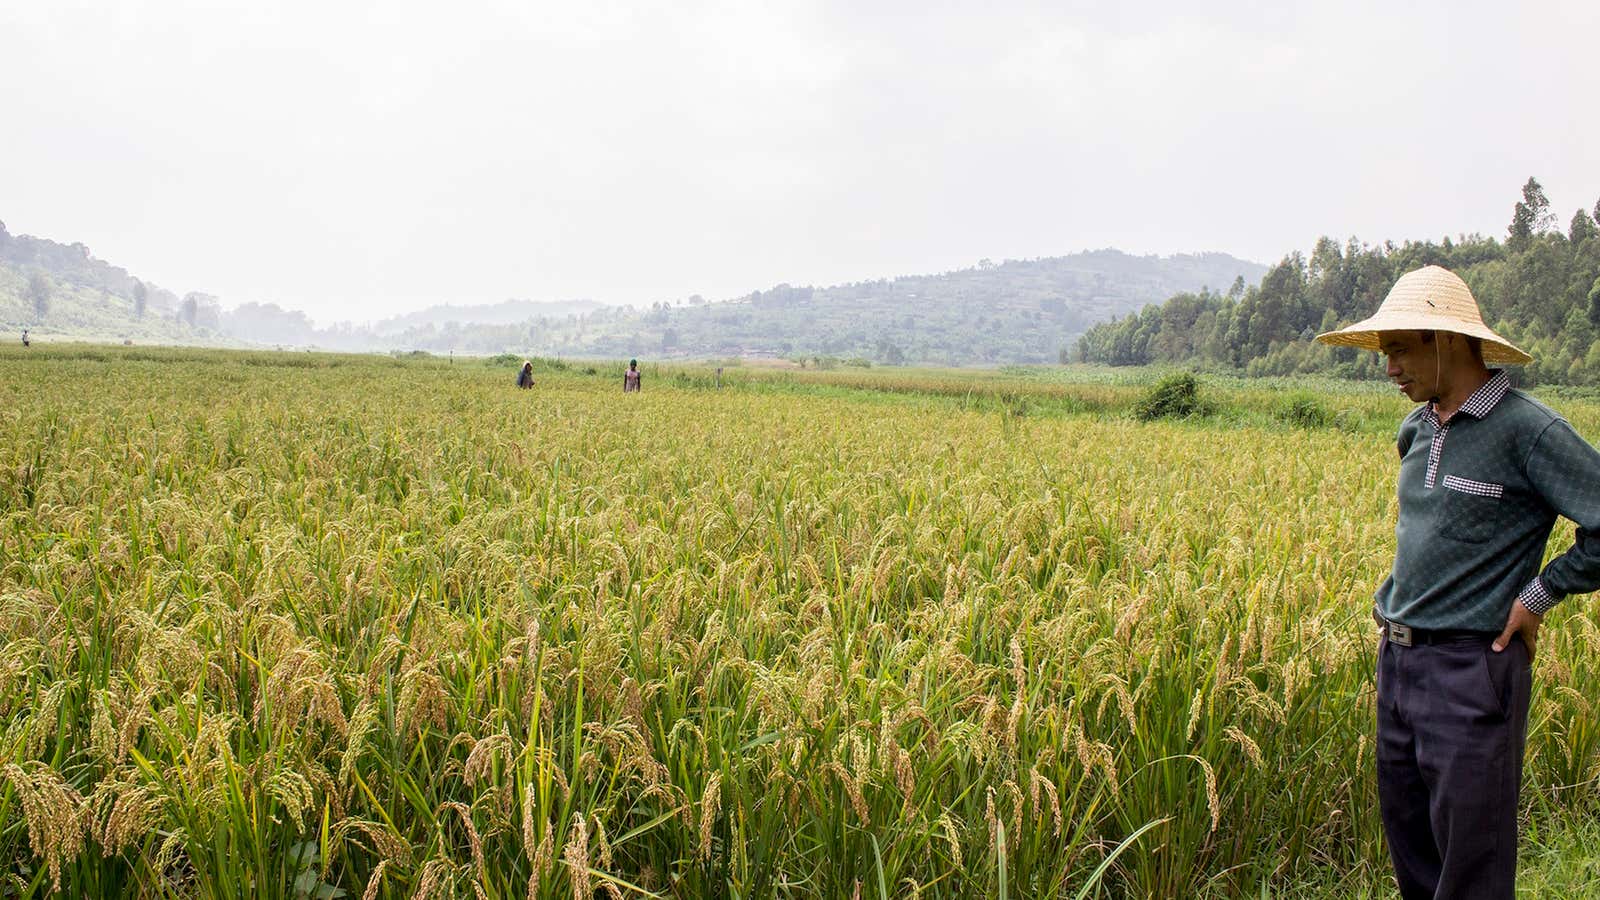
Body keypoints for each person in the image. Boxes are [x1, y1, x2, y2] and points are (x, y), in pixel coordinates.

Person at [1316, 265, 1600, 899]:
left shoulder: (1529, 431)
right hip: (1399, 664)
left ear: (1445, 341)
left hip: (1473, 671)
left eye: (1398, 348)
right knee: (1413, 849)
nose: (1387, 366)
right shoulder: (1418, 429)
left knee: (1470, 865)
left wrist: (1537, 595)